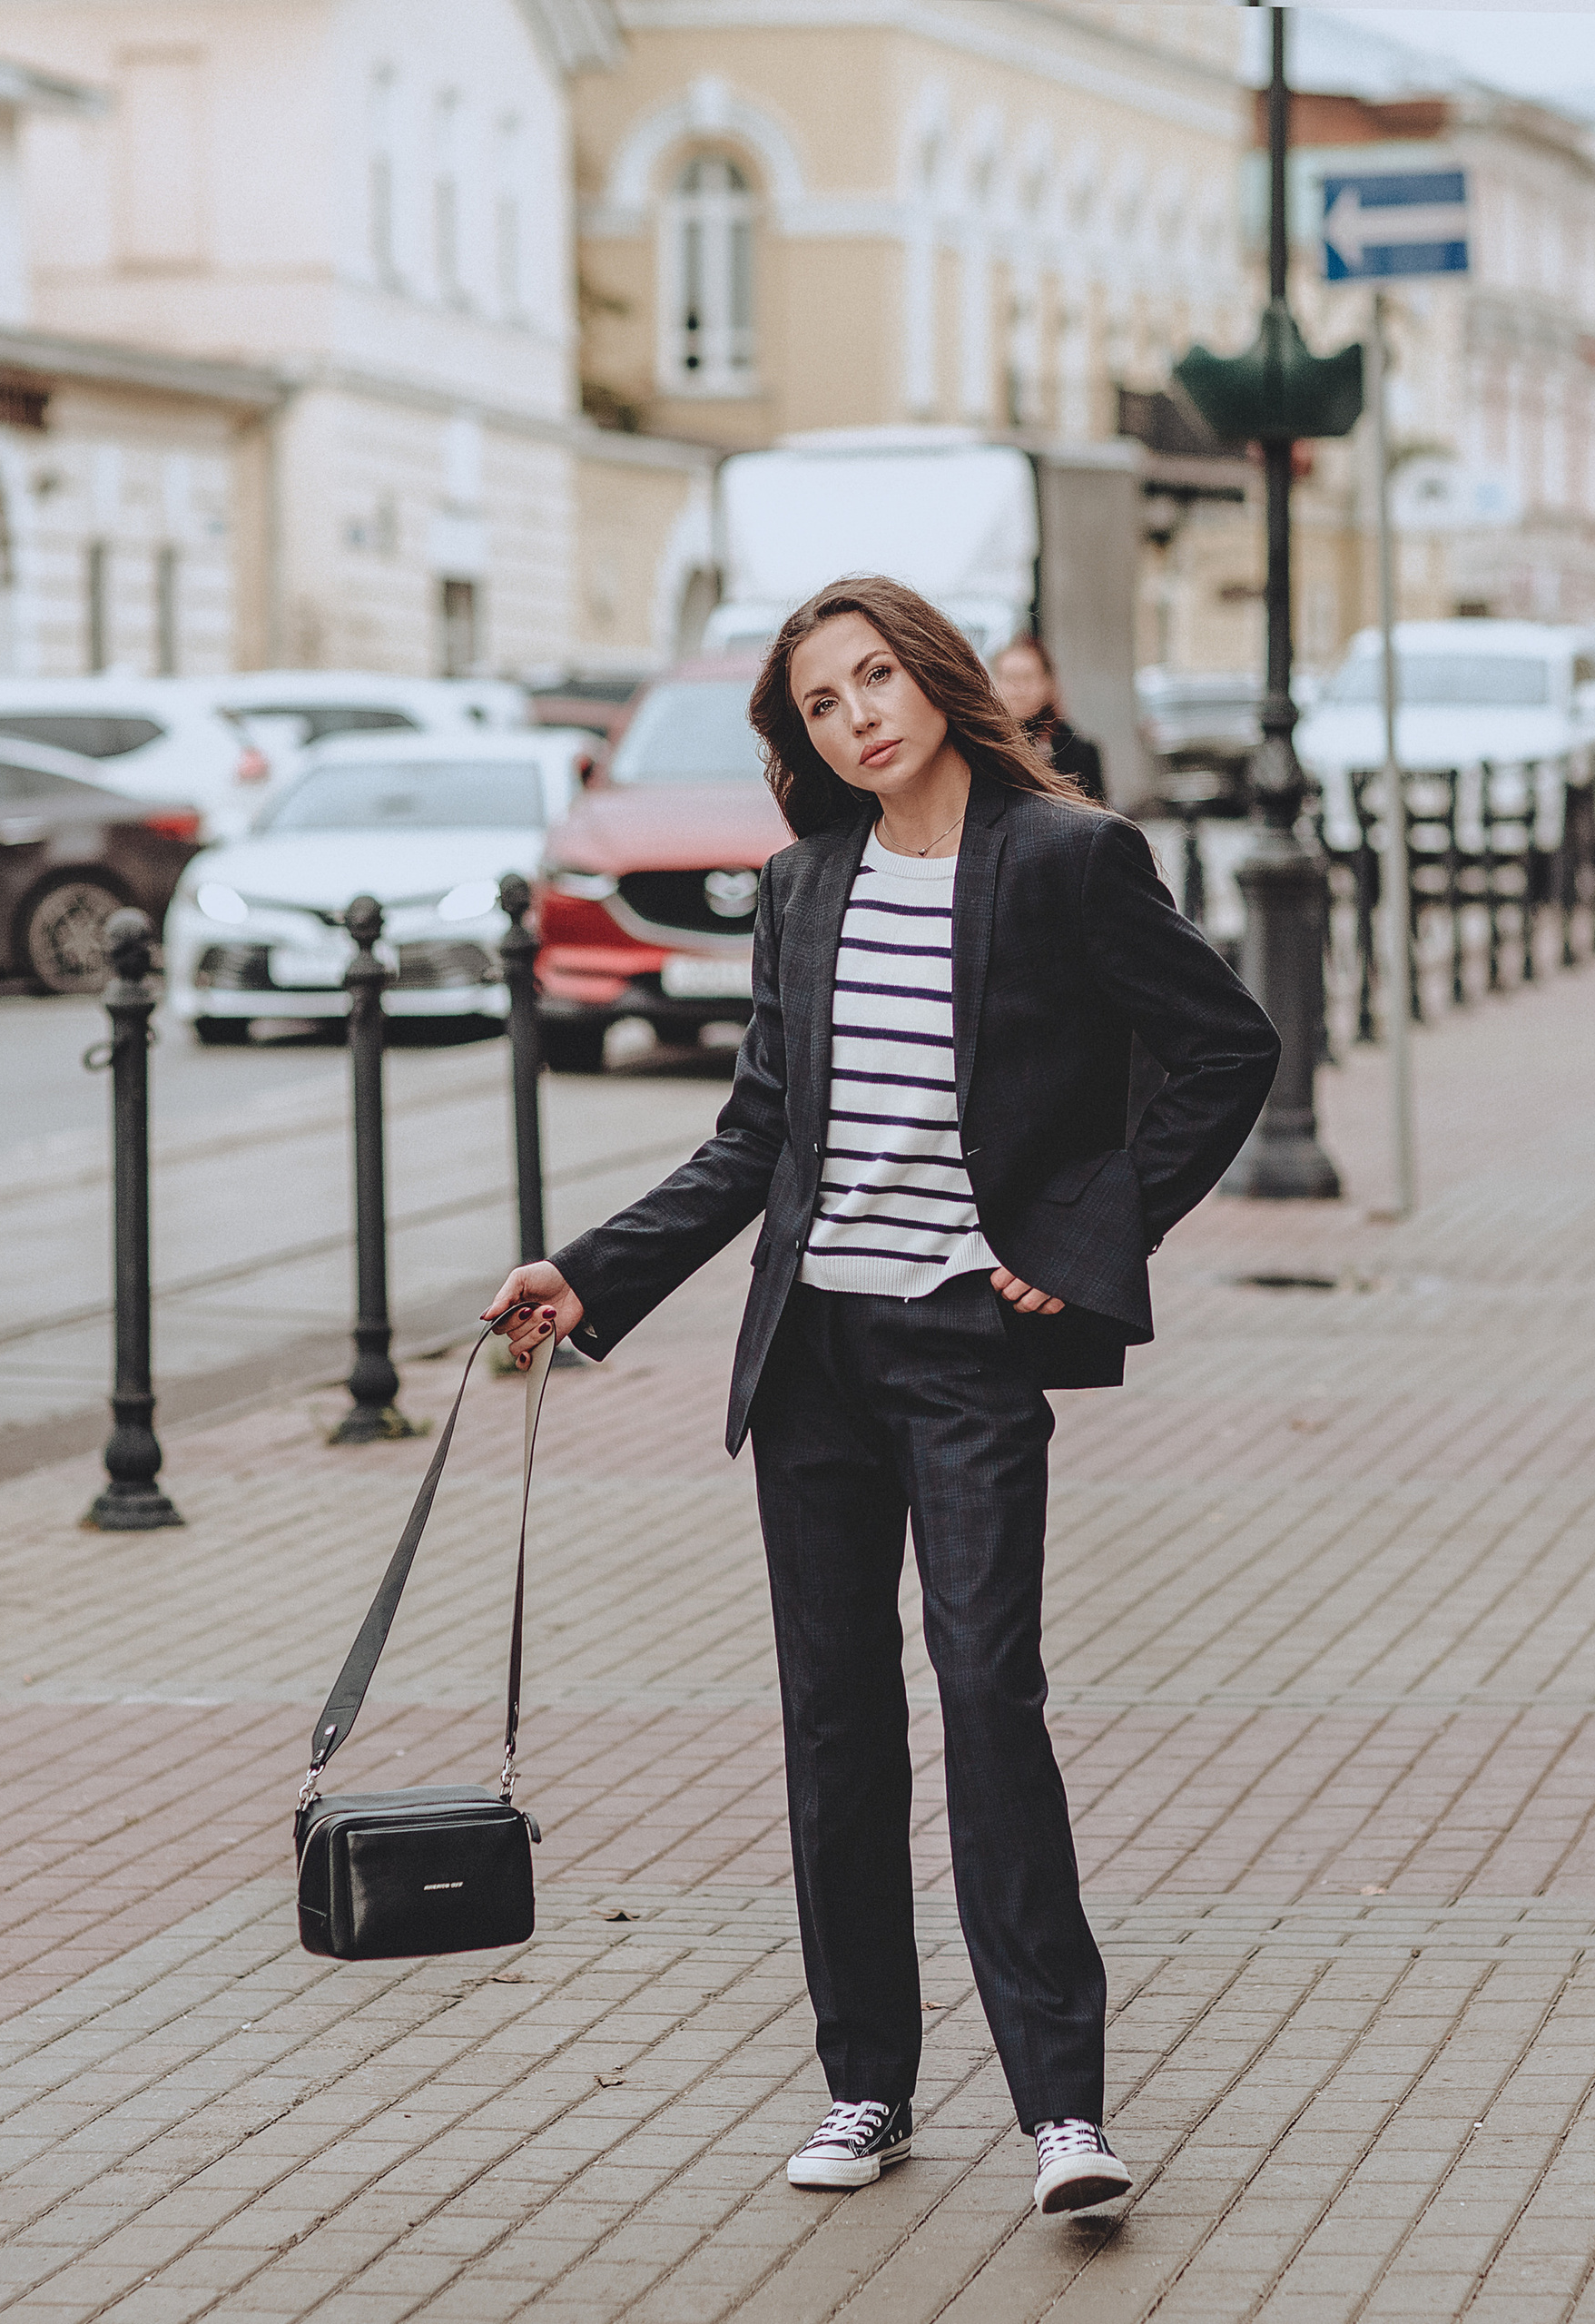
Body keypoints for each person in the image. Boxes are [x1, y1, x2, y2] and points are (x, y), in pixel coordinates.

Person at [485, 575, 1276, 2220]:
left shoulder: (1067, 860)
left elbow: (1225, 1048)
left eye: (877, 678)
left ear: (936, 675)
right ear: (808, 739)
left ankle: (1064, 2109)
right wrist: (593, 1274)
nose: (862, 716)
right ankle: (870, 2087)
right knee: (837, 1730)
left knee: (990, 1700)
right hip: (816, 1365)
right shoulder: (801, 886)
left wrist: (1095, 1231)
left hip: (967, 1355)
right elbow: (756, 1143)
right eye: (825, 704)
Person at [992, 632, 1105, 803]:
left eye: (1027, 677)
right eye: (1010, 678)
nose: (1018, 688)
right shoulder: (984, 747)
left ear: (1047, 683)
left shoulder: (1078, 751)